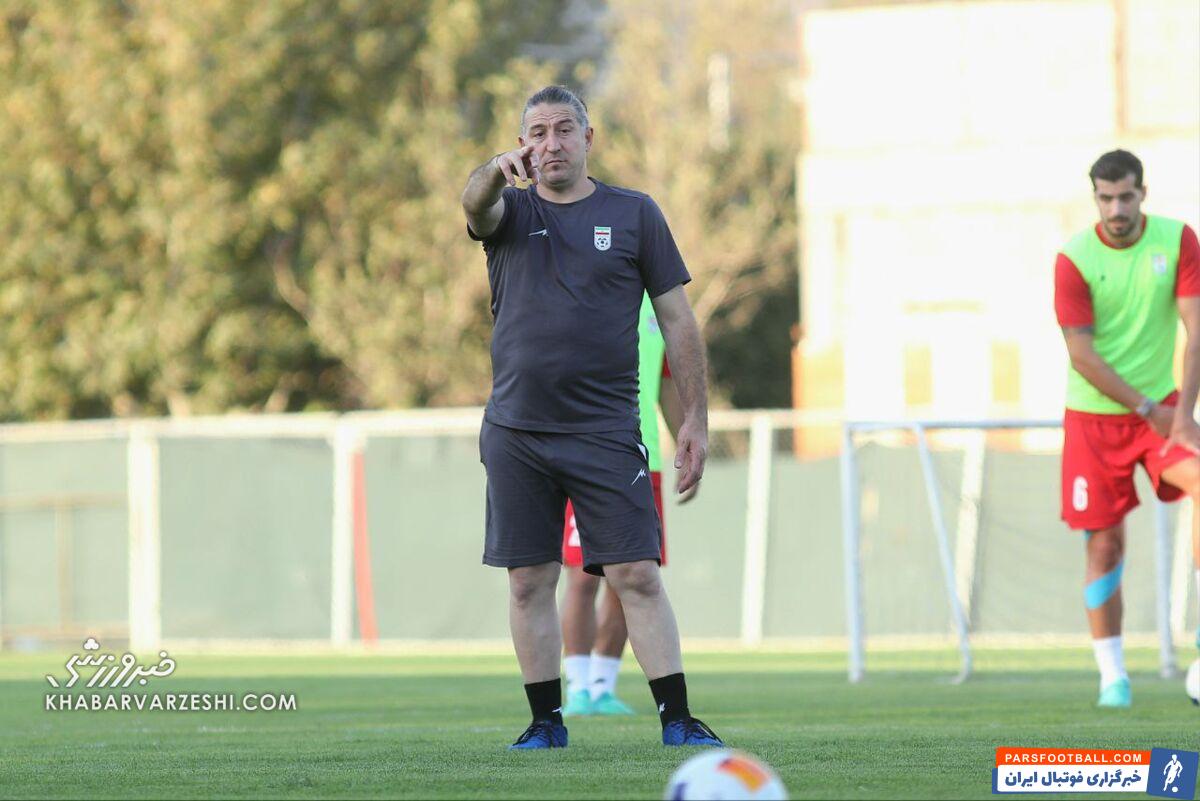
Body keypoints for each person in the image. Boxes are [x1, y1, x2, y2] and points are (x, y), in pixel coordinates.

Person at [460, 85, 723, 749]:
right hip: (517, 430)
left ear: (588, 138)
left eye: (563, 130)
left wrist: (695, 419)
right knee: (530, 581)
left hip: (606, 432)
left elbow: (677, 320)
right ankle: (545, 723)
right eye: (537, 133)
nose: (550, 144)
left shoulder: (634, 214)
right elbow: (473, 203)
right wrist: (493, 170)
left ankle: (678, 721)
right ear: (523, 144)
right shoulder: (510, 211)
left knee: (637, 575)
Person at [1054, 149, 1200, 708]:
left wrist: (1182, 414)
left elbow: (1196, 328)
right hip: (1095, 420)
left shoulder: (1177, 240)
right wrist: (1147, 409)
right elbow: (1081, 355)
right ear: (1095, 198)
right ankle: (1112, 677)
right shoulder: (1073, 260)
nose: (1117, 208)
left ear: (1143, 193)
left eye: (1126, 196)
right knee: (1105, 546)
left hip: (1164, 412)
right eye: (1106, 198)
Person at [560, 299, 697, 717]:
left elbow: (666, 383)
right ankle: (578, 688)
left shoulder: (661, 305)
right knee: (582, 575)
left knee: (635, 577)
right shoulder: (583, 290)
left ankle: (603, 686)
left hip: (643, 459)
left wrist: (687, 449)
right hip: (587, 455)